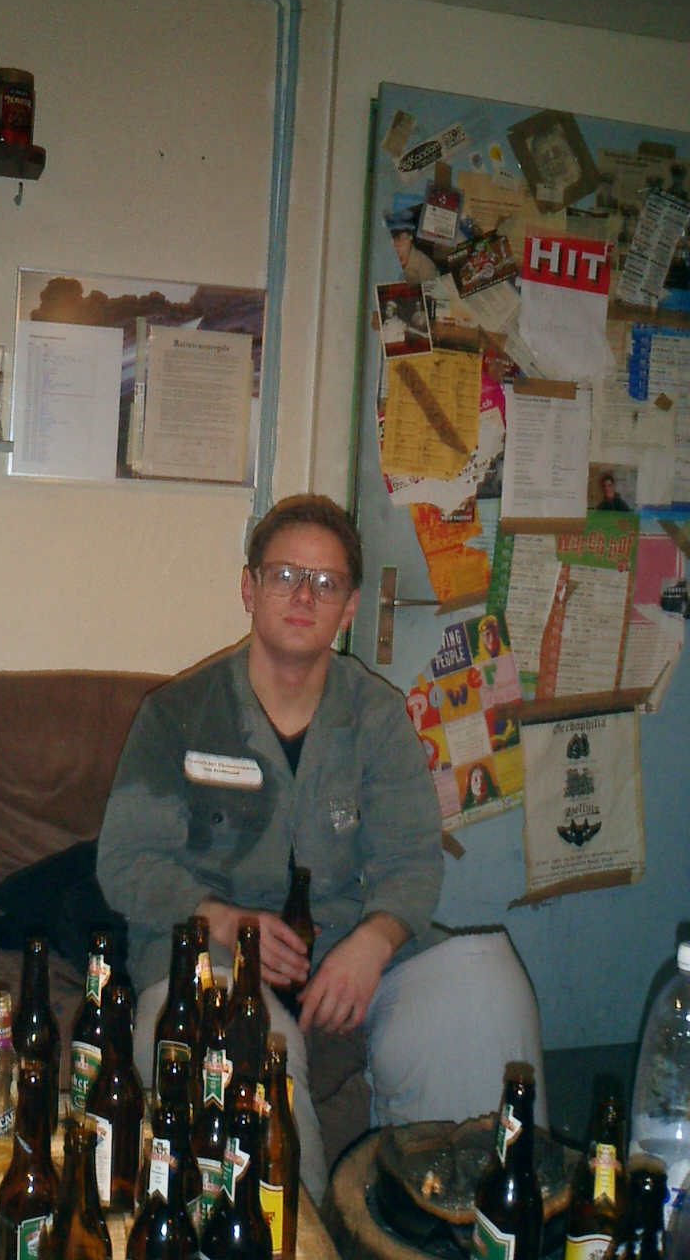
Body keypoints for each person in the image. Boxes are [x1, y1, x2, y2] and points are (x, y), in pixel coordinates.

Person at [96, 494, 546, 1203]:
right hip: (207, 957)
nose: (304, 596)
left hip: (344, 946)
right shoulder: (176, 715)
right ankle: (283, 1235)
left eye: (326, 583)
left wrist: (375, 939)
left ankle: (453, 1221)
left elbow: (411, 862)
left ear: (349, 606)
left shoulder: (377, 716)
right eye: (284, 576)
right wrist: (225, 922)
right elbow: (126, 863)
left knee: (486, 985)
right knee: (240, 1042)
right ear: (249, 588)